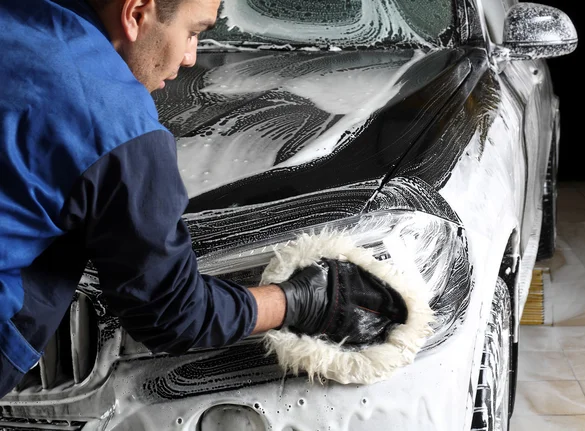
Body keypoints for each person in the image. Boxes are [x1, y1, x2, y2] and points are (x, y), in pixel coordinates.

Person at [0, 0, 407, 398]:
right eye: (193, 33)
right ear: (136, 13)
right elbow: (170, 313)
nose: (192, 57)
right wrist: (302, 301)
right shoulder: (118, 128)